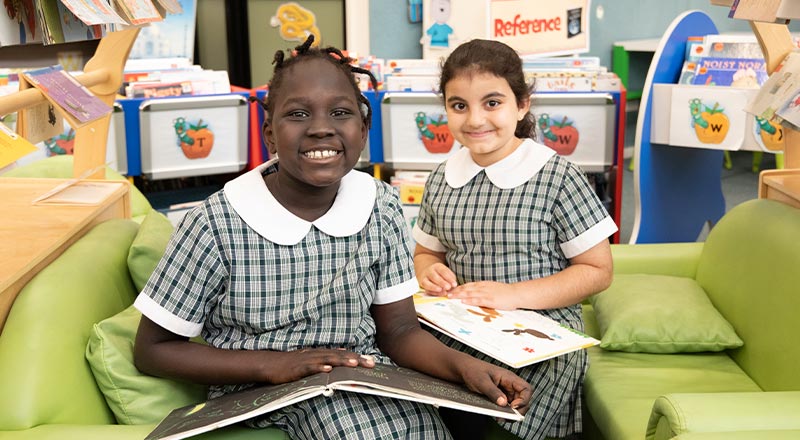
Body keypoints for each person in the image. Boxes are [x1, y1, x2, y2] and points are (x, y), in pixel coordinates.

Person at [133, 35, 531, 440]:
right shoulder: (215, 222)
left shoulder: (381, 204)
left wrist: (465, 367)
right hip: (262, 387)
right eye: (299, 114)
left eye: (340, 112)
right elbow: (153, 349)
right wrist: (272, 365)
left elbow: (399, 331)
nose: (321, 128)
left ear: (363, 128)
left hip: (363, 378)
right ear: (269, 134)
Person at [413, 39, 617, 440]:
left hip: (542, 327)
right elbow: (425, 252)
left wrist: (513, 294)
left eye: (492, 103)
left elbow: (598, 272)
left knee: (533, 380)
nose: (474, 119)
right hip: (461, 323)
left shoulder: (557, 176)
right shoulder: (442, 177)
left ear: (522, 104)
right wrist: (430, 271)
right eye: (459, 106)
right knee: (410, 356)